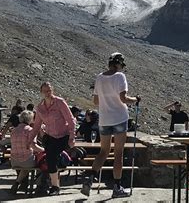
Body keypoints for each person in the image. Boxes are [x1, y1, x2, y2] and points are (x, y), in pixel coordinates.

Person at [81, 52, 141, 198]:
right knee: (118, 153)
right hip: (119, 118)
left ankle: (90, 177)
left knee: (104, 151)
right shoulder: (120, 76)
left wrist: (107, 102)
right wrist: (136, 99)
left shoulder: (100, 77)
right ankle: (117, 186)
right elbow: (123, 98)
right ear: (119, 64)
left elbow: (96, 101)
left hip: (104, 120)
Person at [31, 82, 76, 196]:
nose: (48, 93)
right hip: (50, 136)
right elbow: (36, 126)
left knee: (52, 157)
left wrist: (72, 136)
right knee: (50, 159)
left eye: (49, 90)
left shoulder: (60, 102)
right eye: (45, 91)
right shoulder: (40, 107)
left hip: (63, 135)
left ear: (53, 90)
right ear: (41, 92)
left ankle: (54, 185)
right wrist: (30, 139)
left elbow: (70, 120)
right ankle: (55, 186)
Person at [9, 110, 44, 194]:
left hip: (13, 160)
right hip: (26, 161)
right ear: (30, 119)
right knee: (41, 163)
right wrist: (44, 150)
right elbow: (33, 146)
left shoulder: (13, 130)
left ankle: (18, 183)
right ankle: (39, 186)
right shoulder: (31, 130)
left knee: (24, 166)